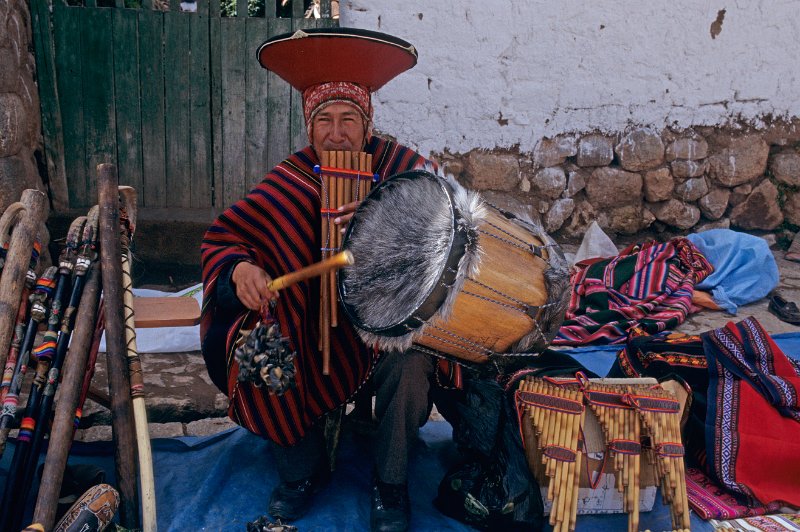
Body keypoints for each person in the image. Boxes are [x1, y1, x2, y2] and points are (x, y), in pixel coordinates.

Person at [200, 28, 447, 532]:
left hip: (384, 334)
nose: (336, 134)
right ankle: (300, 471)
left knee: (416, 361)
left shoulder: (405, 170)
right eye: (325, 121)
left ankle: (391, 483)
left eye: (348, 120)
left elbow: (451, 226)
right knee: (263, 347)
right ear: (310, 130)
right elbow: (224, 241)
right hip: (310, 330)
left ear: (368, 125)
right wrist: (240, 271)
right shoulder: (289, 179)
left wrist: (390, 215)